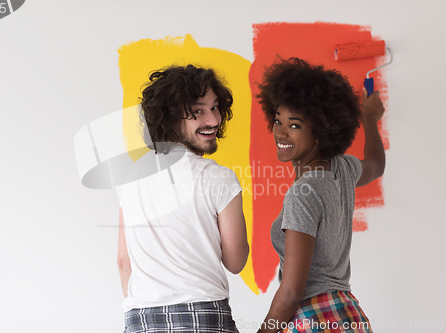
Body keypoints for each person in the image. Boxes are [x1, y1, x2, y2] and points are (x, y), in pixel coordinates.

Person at [255, 58, 385, 333]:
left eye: (295, 125)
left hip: (315, 319)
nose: (280, 132)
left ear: (321, 131)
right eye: (278, 120)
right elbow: (376, 164)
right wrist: (369, 118)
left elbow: (290, 294)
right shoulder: (342, 168)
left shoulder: (303, 193)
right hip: (348, 314)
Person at [117, 64, 249, 333]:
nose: (213, 120)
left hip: (140, 318)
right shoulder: (218, 177)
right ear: (169, 118)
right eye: (198, 112)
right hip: (203, 315)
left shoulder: (131, 176)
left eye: (215, 108)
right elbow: (236, 262)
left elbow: (123, 261)